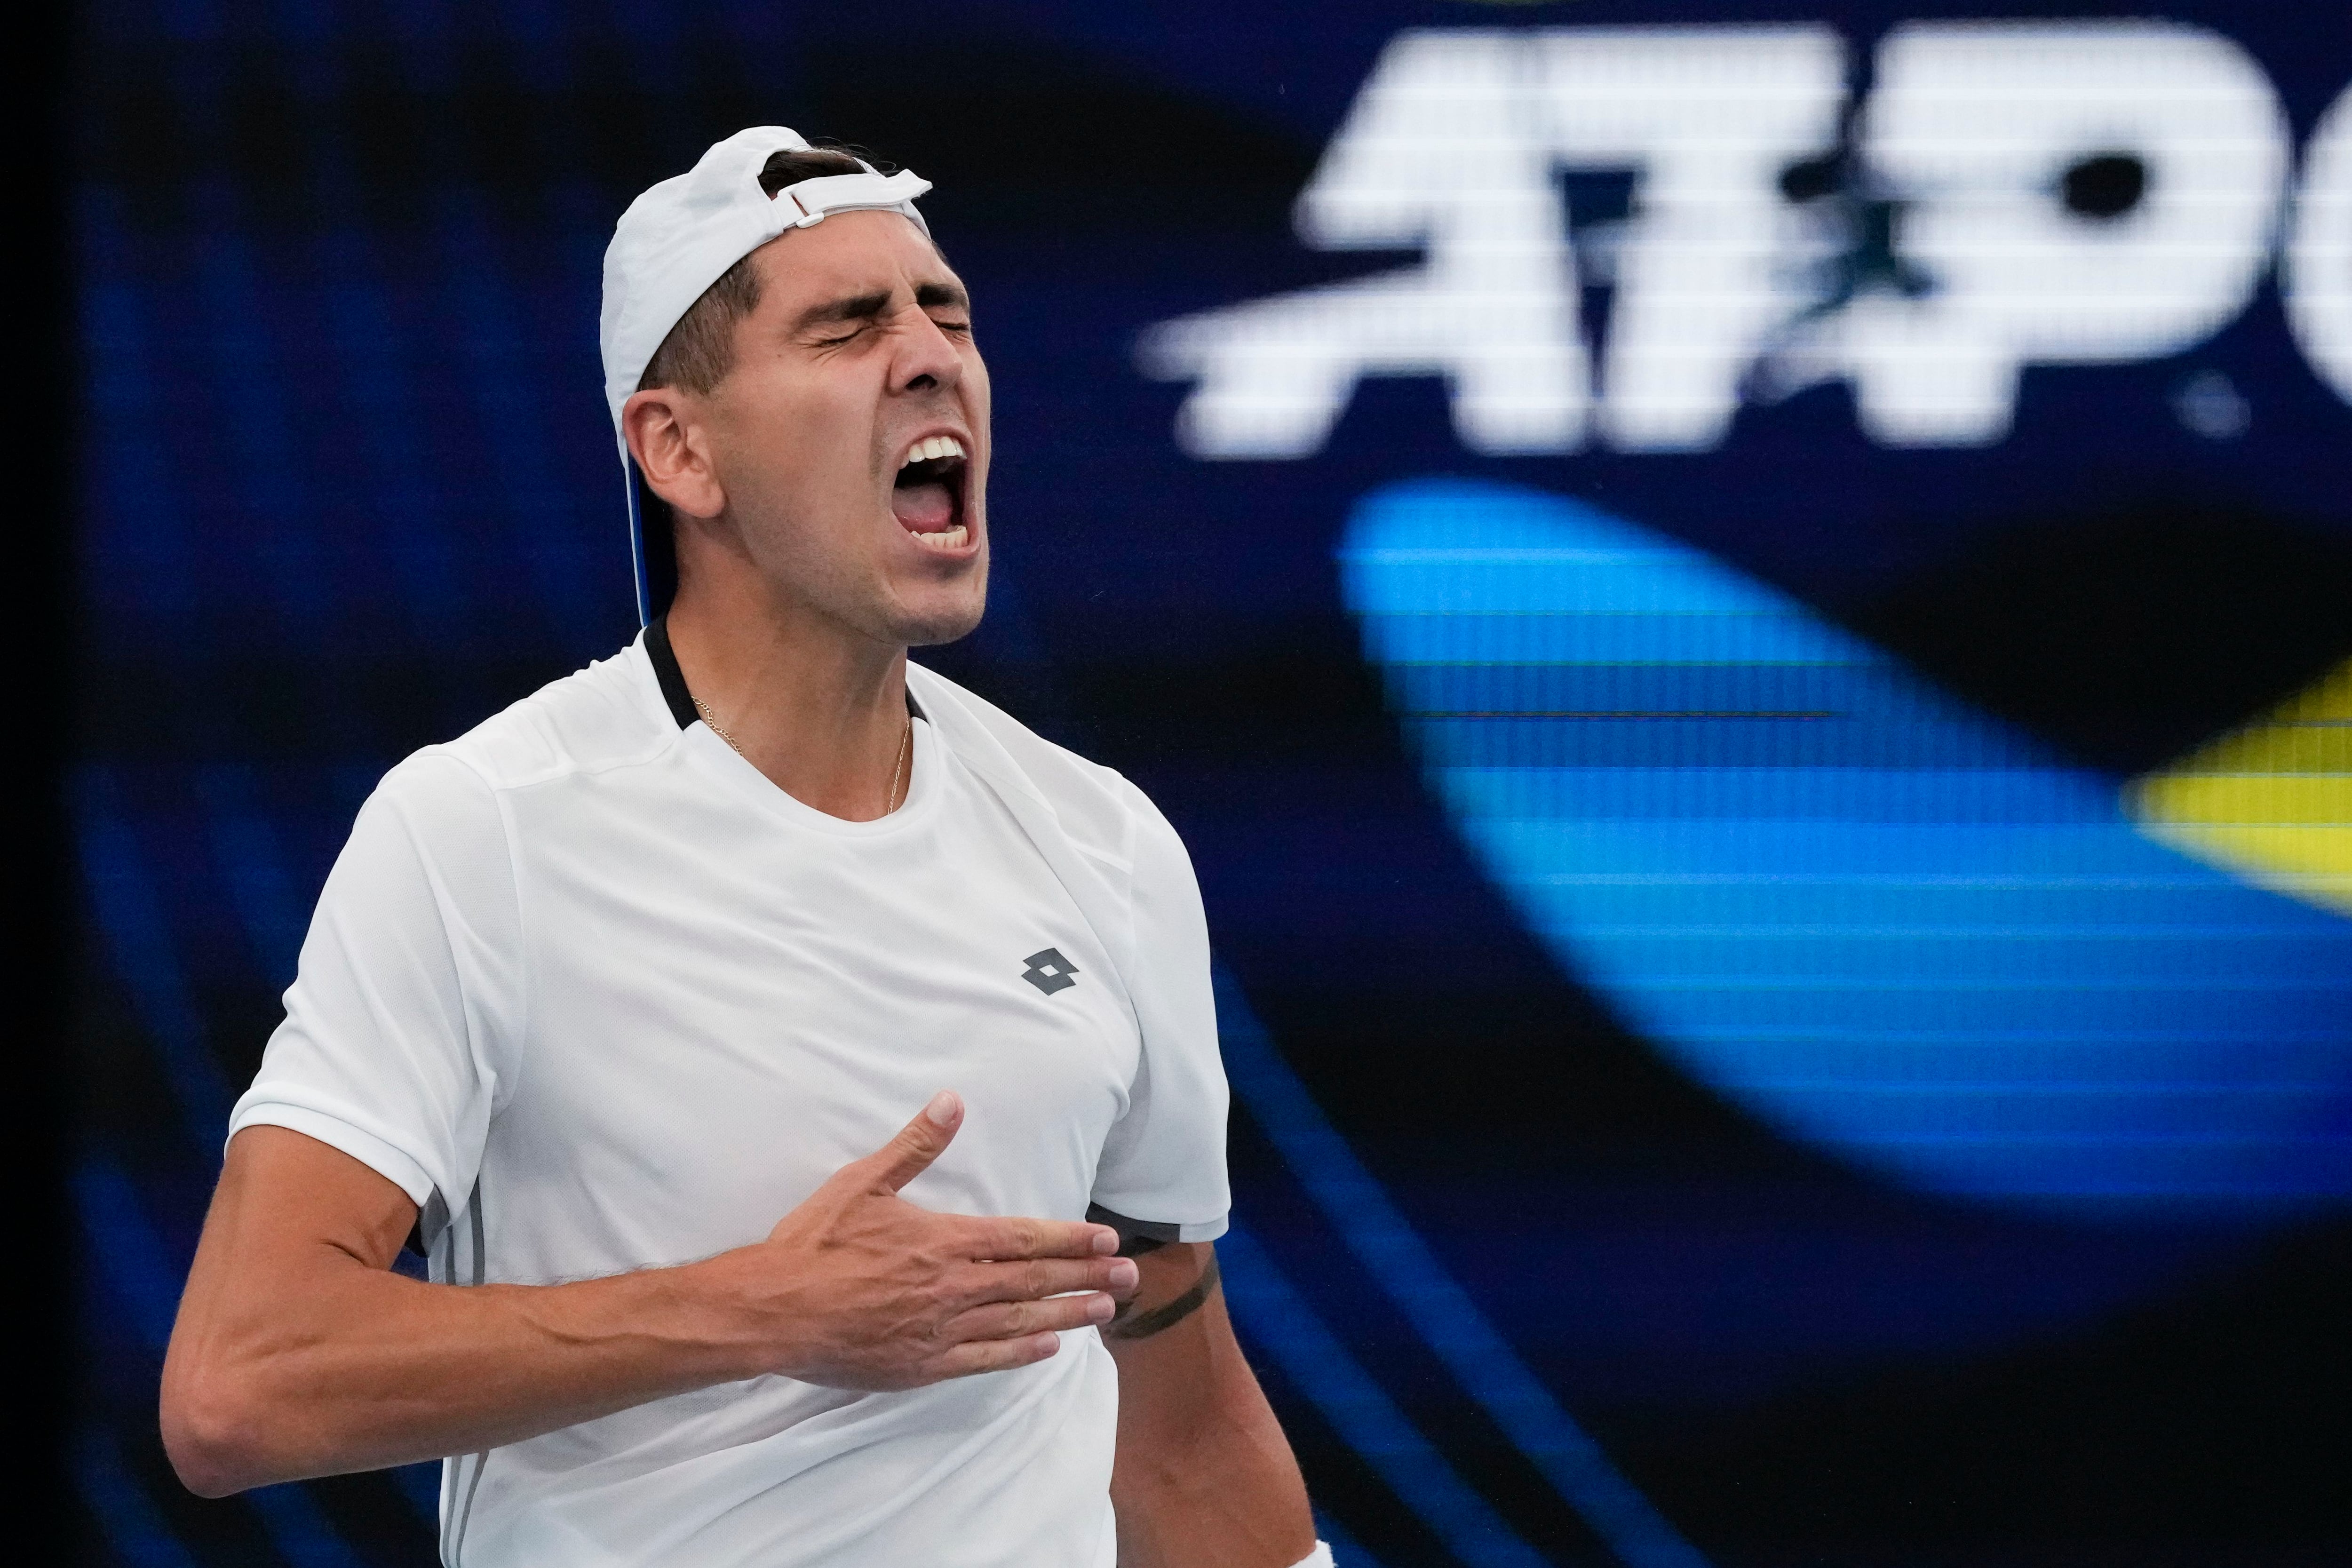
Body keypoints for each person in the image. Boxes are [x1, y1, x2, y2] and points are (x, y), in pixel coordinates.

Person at [159, 126, 1328, 1568]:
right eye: (847, 326)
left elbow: (1181, 1427)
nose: (928, 355)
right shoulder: (483, 831)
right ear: (680, 449)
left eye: (945, 312)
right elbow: (241, 1384)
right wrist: (770, 1308)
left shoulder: (1105, 843)